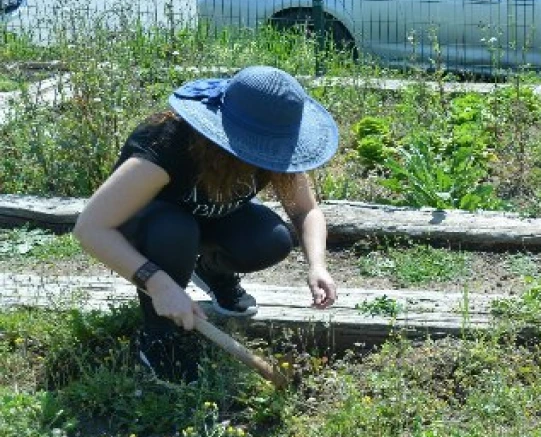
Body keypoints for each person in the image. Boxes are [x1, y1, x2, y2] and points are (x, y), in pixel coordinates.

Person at [73, 66, 341, 383]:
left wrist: (318, 265)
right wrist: (158, 283)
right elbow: (90, 228)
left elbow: (306, 210)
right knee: (174, 232)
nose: (267, 158)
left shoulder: (275, 145)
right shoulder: (167, 146)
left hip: (208, 218)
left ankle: (212, 271)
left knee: (272, 240)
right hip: (149, 229)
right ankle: (161, 338)